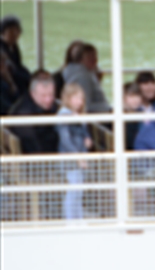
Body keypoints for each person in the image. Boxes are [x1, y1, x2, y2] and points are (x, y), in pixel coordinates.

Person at [56, 83, 92, 221]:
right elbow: (65, 139)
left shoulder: (78, 115)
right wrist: (77, 157)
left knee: (79, 189)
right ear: (68, 98)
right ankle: (70, 219)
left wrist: (87, 138)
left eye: (81, 99)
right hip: (70, 159)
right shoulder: (64, 115)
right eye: (76, 98)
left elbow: (83, 131)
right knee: (73, 189)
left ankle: (78, 217)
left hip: (80, 155)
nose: (80, 102)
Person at [6, 71, 59, 154]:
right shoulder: (23, 116)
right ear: (32, 93)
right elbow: (34, 148)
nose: (48, 100)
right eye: (43, 95)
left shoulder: (52, 107)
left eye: (51, 95)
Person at [61, 43, 111, 113]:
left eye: (95, 56)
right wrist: (107, 108)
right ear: (81, 59)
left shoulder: (89, 74)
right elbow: (86, 105)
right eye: (89, 57)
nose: (94, 60)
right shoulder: (83, 77)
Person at [0, 15, 30, 98]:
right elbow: (3, 69)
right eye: (11, 31)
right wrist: (11, 84)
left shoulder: (13, 45)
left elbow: (18, 63)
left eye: (17, 31)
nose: (15, 34)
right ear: (3, 32)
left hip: (15, 73)